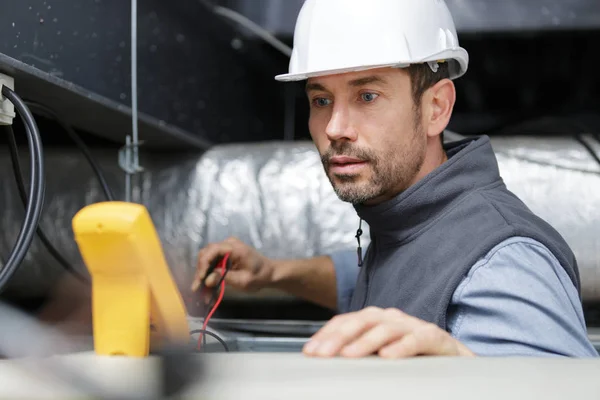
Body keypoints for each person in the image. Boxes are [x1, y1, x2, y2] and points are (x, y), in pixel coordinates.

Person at [192, 0, 599, 358]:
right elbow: (370, 275)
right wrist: (274, 273)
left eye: (367, 96)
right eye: (321, 100)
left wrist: (465, 369)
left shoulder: (501, 262)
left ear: (437, 107)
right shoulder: (410, 225)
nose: (335, 127)